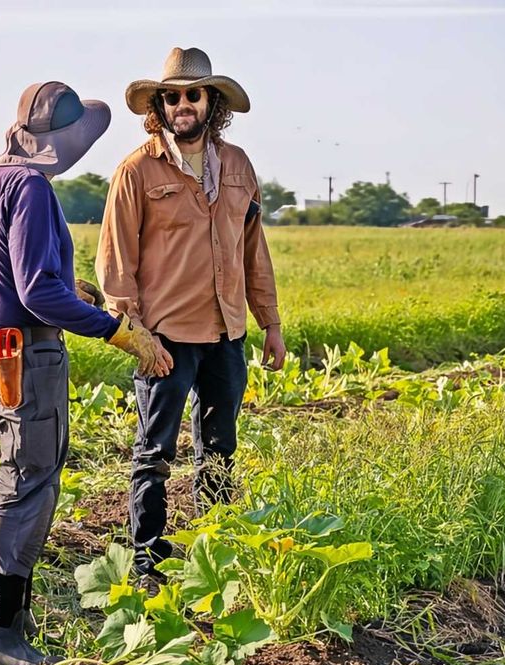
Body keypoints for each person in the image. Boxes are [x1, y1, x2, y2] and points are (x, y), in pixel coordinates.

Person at [0, 81, 164, 665]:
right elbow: (36, 292)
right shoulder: (31, 189)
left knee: (31, 473)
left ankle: (11, 619)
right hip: (24, 351)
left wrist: (67, 288)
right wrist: (115, 328)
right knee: (26, 481)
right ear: (61, 143)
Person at [96, 48, 286, 579]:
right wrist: (134, 335)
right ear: (160, 104)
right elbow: (116, 263)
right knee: (155, 452)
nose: (182, 104)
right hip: (165, 337)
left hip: (227, 332)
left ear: (211, 102)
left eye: (193, 94)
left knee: (220, 448)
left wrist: (270, 322)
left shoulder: (239, 166)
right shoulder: (136, 171)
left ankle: (215, 553)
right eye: (172, 96)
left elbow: (254, 248)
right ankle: (146, 562)